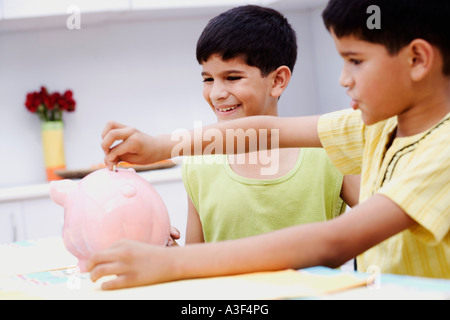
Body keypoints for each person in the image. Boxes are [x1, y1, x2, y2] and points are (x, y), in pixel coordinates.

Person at [89, 0, 450, 290]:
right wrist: (160, 146)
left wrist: (169, 263)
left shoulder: (444, 150)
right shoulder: (374, 127)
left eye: (355, 61)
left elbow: (334, 242)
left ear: (417, 59)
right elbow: (265, 130)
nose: (343, 79)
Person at [183, 5, 358, 246]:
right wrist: (169, 251)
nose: (216, 93)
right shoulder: (199, 163)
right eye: (208, 79)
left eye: (232, 78)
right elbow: (193, 260)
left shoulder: (328, 153)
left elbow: (387, 226)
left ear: (277, 80)